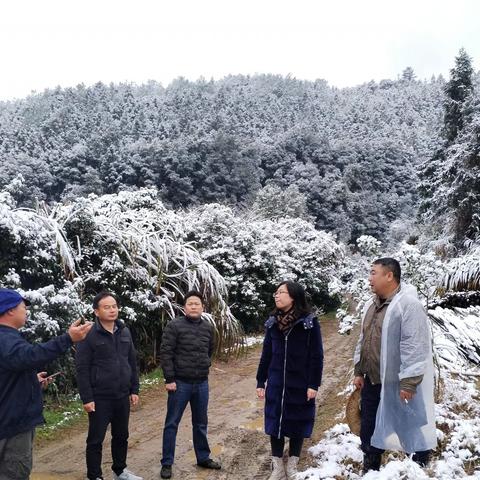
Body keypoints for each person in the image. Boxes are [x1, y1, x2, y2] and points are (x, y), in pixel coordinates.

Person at [353, 258, 437, 473]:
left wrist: (409, 382)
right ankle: (370, 469)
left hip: (398, 382)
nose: (369, 279)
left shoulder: (408, 305)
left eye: (373, 273)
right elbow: (364, 340)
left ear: (389, 276)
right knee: (369, 427)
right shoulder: (371, 306)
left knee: (409, 426)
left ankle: (420, 467)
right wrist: (359, 370)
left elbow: (414, 344)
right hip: (373, 379)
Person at [0, 287, 92, 480]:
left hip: (9, 419)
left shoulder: (8, 339)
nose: (26, 311)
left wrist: (31, 381)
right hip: (12, 425)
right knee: (14, 474)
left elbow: (12, 369)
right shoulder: (5, 338)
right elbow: (30, 356)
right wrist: (68, 339)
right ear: (9, 310)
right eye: (23, 307)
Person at [256, 281, 324, 480]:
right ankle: (277, 467)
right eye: (275, 292)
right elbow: (266, 353)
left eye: (281, 292)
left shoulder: (309, 323)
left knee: (297, 423)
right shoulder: (272, 323)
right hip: (277, 383)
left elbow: (316, 356)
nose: (276, 296)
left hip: (300, 383)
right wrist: (261, 380)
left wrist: (313, 384)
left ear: (293, 296)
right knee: (275, 423)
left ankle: (293, 464)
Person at [75, 291, 142, 480]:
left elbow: (131, 362)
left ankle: (120, 471)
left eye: (114, 306)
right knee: (96, 439)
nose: (112, 310)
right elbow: (82, 369)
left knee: (121, 436)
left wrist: (134, 389)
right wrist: (87, 398)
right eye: (107, 307)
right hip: (99, 397)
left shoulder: (124, 331)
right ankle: (94, 475)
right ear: (96, 312)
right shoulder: (88, 335)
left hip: (121, 395)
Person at [159, 291, 221, 479]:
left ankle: (203, 457)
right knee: (172, 424)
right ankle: (167, 463)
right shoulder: (174, 326)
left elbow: (209, 350)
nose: (194, 306)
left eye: (197, 303)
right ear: (184, 307)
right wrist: (169, 379)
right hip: (180, 384)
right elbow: (166, 353)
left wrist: (205, 366)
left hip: (201, 383)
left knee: (200, 423)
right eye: (190, 303)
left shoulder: (208, 328)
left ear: (203, 307)